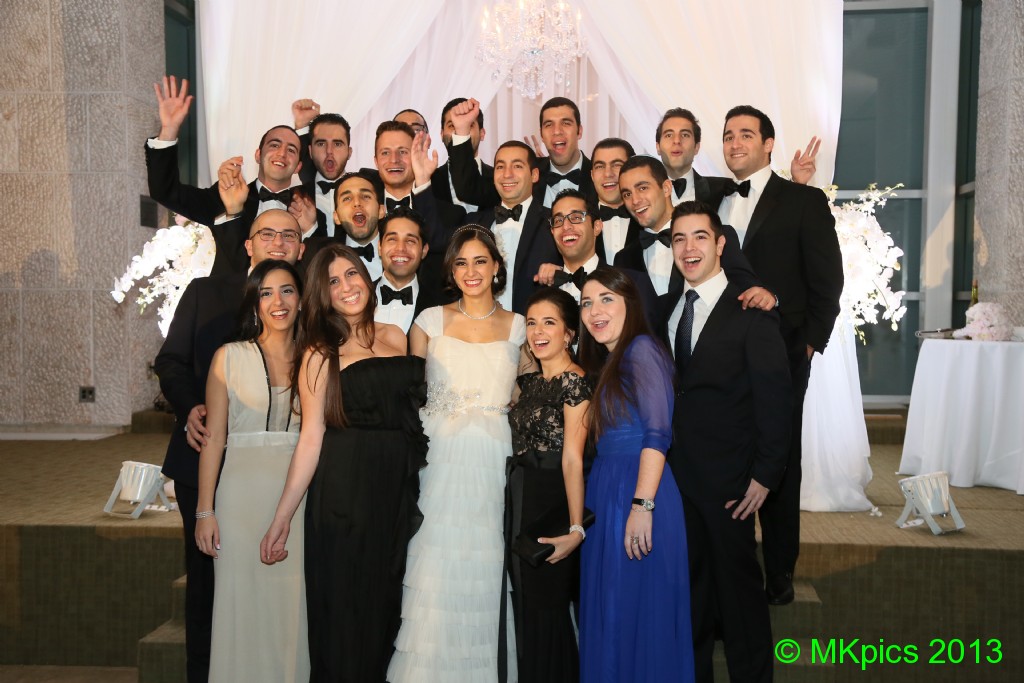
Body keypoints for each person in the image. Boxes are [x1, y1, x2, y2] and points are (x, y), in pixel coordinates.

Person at [260, 244, 426, 682]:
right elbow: (311, 437)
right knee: (348, 611)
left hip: (395, 489)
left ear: (366, 278)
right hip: (345, 491)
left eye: (352, 274)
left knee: (389, 603)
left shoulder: (396, 335)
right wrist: (283, 516)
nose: (347, 286)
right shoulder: (319, 351)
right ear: (323, 294)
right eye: (333, 281)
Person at [154, 209, 304, 683]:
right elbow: (171, 361)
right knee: (207, 592)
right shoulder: (205, 293)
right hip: (208, 461)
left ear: (301, 247)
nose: (278, 242)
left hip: (290, 477)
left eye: (289, 234)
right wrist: (192, 407)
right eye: (267, 233)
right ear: (248, 243)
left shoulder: (311, 322)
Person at [660, 202, 792, 683]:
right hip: (677, 482)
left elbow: (776, 401)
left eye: (700, 237)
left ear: (720, 245)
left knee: (740, 600)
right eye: (679, 239)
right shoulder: (669, 308)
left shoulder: (752, 311)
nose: (689, 248)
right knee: (690, 597)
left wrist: (765, 475)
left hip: (732, 483)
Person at [718, 105, 844, 605]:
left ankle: (780, 570)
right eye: (729, 135)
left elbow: (827, 280)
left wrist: (809, 342)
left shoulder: (802, 200)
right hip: (722, 353)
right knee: (730, 454)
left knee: (780, 457)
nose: (735, 143)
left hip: (783, 351)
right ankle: (732, 564)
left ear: (768, 144)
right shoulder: (712, 199)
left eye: (746, 135)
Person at [388, 225, 524, 683]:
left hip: (494, 457)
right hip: (439, 457)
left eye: (480, 261)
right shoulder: (428, 322)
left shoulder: (520, 326)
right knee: (435, 558)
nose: (471, 271)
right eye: (461, 262)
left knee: (487, 558)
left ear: (497, 267)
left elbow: (528, 392)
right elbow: (411, 395)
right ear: (450, 270)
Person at [576, 266, 694, 683]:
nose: (595, 311)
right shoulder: (613, 359)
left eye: (606, 299)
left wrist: (643, 505)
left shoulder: (642, 348)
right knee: (614, 612)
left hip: (639, 491)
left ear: (631, 304)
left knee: (638, 614)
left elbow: (657, 434)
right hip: (609, 491)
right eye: (586, 303)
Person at [193, 259, 308, 682]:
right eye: (266, 293)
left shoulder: (317, 358)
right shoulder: (228, 357)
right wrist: (205, 511)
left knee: (291, 610)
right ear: (255, 303)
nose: (278, 302)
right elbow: (213, 440)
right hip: (239, 501)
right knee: (240, 608)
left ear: (302, 299)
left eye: (287, 290)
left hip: (298, 502)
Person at [507, 287, 590, 682]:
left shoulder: (576, 382)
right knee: (524, 603)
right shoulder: (530, 382)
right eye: (531, 323)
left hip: (551, 500)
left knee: (547, 605)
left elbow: (573, 459)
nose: (538, 331)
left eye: (549, 323)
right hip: (519, 497)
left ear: (569, 332)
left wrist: (575, 528)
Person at [146, 76, 309, 276]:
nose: (282, 153)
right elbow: (164, 191)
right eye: (274, 145)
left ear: (298, 166)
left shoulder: (308, 206)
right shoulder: (225, 194)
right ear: (258, 155)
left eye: (291, 150)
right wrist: (169, 130)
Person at [614, 156, 762, 299]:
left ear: (666, 188)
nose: (635, 200)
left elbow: (751, 291)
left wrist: (766, 297)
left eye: (642, 188)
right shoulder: (624, 259)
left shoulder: (716, 235)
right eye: (627, 194)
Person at [463, 141, 560, 314]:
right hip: (479, 325)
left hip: (533, 326)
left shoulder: (554, 223)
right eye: (500, 167)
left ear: (534, 175)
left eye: (517, 166)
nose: (507, 174)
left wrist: (561, 273)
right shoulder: (473, 224)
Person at [434, 96, 497, 211]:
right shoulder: (427, 182)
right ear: (441, 134)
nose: (459, 130)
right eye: (452, 125)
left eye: (469, 125)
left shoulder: (499, 179)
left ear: (482, 133)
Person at [589, 137, 635, 263]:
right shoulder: (580, 222)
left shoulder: (650, 219)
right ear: (592, 175)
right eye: (600, 166)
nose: (608, 173)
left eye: (616, 165)